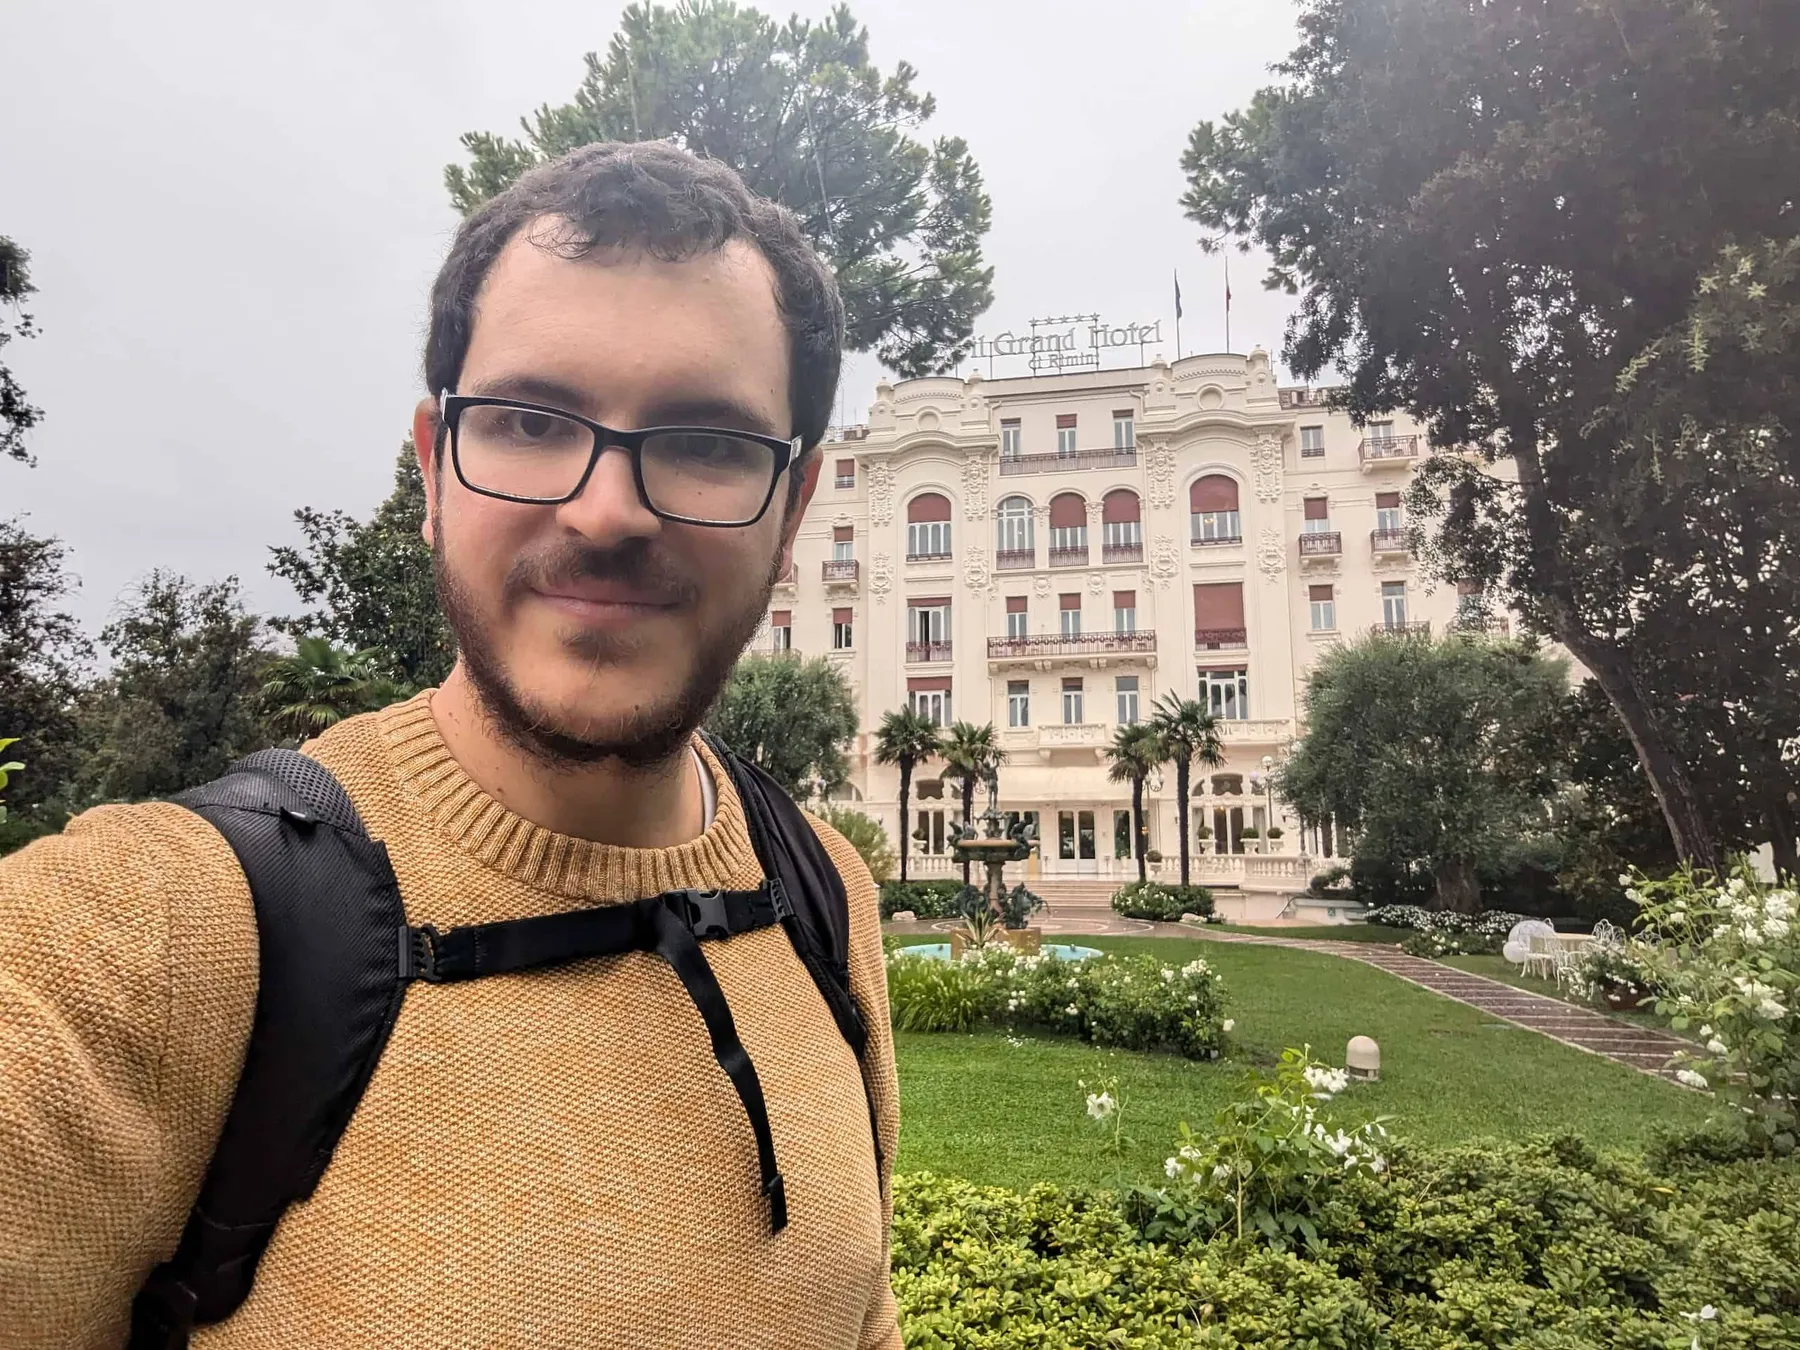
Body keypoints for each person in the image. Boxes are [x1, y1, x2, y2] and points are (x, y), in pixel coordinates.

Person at [0, 141, 899, 1350]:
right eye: (531, 421)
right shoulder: (148, 935)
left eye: (705, 441)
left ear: (794, 509)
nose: (606, 512)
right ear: (433, 467)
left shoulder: (820, 895)